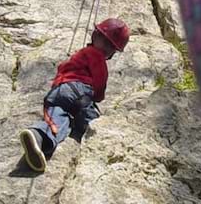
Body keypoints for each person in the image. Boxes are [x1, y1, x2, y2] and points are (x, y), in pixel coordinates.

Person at [19, 18, 130, 172]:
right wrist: (98, 96)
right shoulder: (96, 56)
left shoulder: (79, 55)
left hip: (57, 92)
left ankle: (38, 137)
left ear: (95, 34)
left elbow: (61, 71)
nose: (105, 49)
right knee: (93, 122)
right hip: (79, 92)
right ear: (113, 51)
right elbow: (99, 81)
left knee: (56, 120)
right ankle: (103, 144)